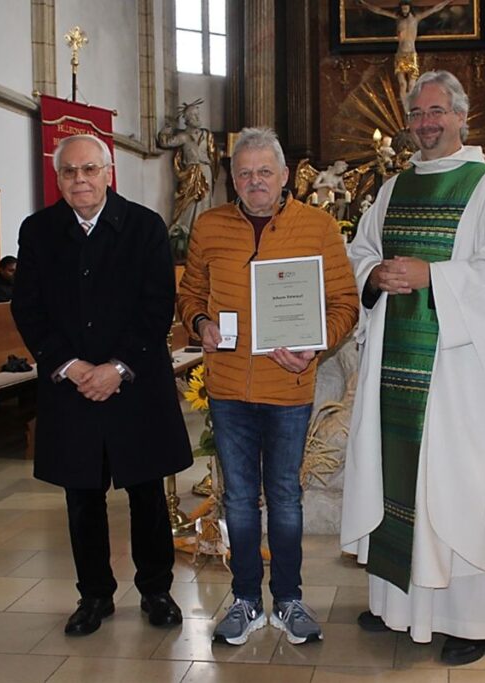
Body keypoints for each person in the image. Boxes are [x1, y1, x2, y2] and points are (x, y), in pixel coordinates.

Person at [342, 70, 485, 666]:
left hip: (463, 378)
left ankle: (481, 620)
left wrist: (433, 275)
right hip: (397, 372)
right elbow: (360, 251)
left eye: (437, 112)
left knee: (462, 487)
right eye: (417, 114)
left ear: (461, 117)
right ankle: (400, 606)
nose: (426, 123)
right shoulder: (392, 188)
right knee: (401, 479)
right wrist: (373, 275)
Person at [177, 127, 359, 647]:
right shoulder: (210, 226)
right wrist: (199, 324)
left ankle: (289, 599)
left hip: (288, 387)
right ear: (232, 179)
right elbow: (190, 294)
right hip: (228, 387)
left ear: (284, 176)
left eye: (264, 172)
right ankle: (245, 601)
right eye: (244, 173)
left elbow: (345, 302)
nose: (254, 181)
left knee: (284, 497)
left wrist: (316, 344)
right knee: (237, 500)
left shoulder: (318, 226)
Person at [11, 134, 193, 637]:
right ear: (58, 178)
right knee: (82, 496)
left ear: (108, 172)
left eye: (89, 169)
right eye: (69, 172)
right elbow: (28, 307)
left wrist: (116, 367)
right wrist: (70, 365)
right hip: (71, 386)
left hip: (134, 382)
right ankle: (94, 595)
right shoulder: (38, 231)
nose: (80, 180)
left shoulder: (144, 227)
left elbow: (157, 306)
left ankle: (156, 590)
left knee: (146, 492)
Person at [357, 0, 453, 107]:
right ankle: (406, 109)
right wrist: (365, 4)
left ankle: (411, 107)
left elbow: (434, 9)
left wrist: (447, 1)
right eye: (403, 9)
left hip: (411, 54)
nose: (404, 11)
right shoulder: (398, 18)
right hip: (400, 54)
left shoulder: (416, 18)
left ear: (410, 8)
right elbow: (379, 10)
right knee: (402, 84)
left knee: (412, 85)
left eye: (406, 8)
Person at [156, 99, 220, 262]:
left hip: (205, 171)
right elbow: (165, 142)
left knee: (205, 203)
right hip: (190, 173)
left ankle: (202, 237)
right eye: (193, 116)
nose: (197, 118)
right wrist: (165, 131)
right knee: (187, 205)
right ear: (187, 120)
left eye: (198, 115)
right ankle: (185, 238)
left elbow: (214, 156)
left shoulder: (207, 135)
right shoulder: (183, 136)